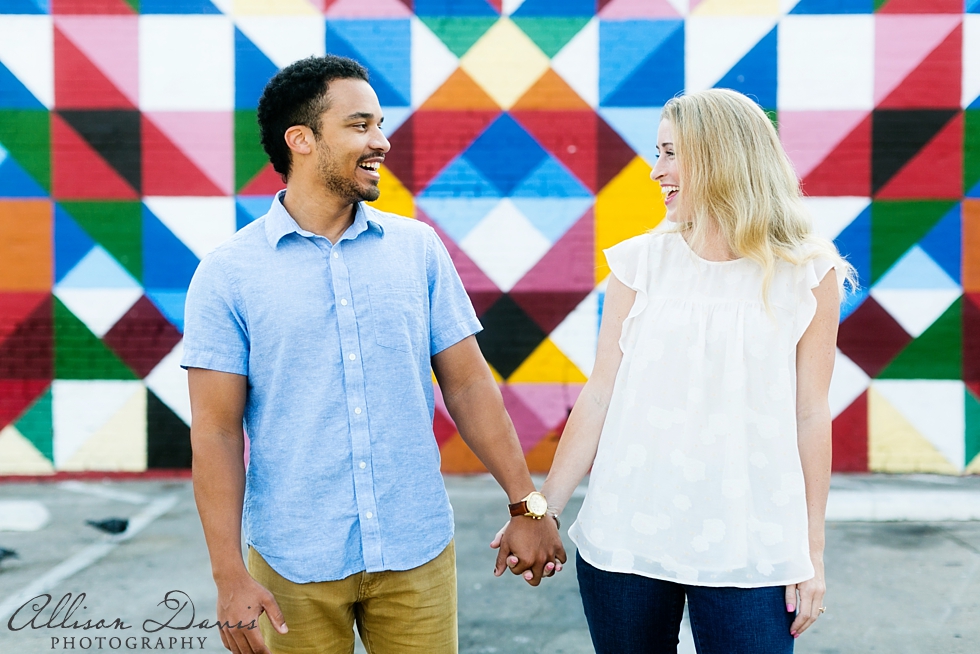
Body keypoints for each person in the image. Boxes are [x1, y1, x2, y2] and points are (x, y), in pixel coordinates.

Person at [182, 55, 564, 654]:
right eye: (360, 126)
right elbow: (217, 431)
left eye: (380, 125)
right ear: (301, 140)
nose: (381, 142)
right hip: (293, 564)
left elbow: (466, 385)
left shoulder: (417, 250)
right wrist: (229, 574)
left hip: (416, 553)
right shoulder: (227, 275)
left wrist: (529, 504)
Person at [495, 88, 854, 653]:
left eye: (669, 153)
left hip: (752, 543)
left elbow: (810, 415)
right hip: (627, 532)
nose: (654, 170)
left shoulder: (807, 272)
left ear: (720, 157)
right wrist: (543, 510)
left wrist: (811, 552)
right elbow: (599, 396)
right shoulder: (639, 263)